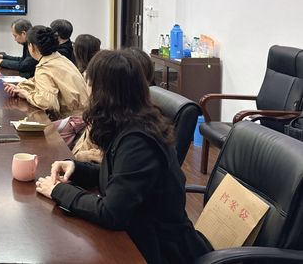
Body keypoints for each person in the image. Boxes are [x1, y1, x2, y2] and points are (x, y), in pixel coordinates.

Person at [35, 50, 211, 264]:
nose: (86, 88)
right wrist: (77, 169)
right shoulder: (129, 124)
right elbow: (121, 176)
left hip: (159, 251)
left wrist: (58, 190)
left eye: (89, 82)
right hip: (139, 235)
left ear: (104, 92)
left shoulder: (138, 141)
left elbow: (112, 213)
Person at [72, 45, 153, 162]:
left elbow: (116, 166)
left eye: (91, 82)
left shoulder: (131, 132)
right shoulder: (106, 113)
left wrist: (82, 158)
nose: (88, 85)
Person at [3, 26, 89, 126]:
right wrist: (21, 87)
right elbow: (38, 82)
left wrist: (27, 95)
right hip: (85, 117)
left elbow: (47, 103)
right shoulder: (60, 59)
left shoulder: (45, 68)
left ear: (32, 47)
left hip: (74, 124)